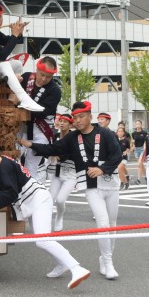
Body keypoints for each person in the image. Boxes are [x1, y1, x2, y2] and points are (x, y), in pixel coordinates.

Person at [22, 101, 122, 280]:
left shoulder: (106, 133)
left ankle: (106, 258)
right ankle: (108, 262)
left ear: (90, 116)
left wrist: (103, 169)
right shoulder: (73, 137)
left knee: (112, 224)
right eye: (75, 117)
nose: (77, 120)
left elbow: (117, 154)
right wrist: (30, 144)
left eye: (81, 116)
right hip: (90, 185)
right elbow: (54, 149)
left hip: (110, 182)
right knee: (103, 223)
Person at [0, 140, 91, 289]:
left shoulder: (2, 166)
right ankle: (62, 264)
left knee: (42, 240)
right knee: (40, 240)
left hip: (39, 200)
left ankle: (76, 268)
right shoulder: (1, 162)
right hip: (34, 200)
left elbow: (11, 193)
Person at [0, 0, 43, 113]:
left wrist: (18, 33)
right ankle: (22, 97)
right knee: (5, 64)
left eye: (0, 17)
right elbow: (2, 55)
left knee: (18, 64)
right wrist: (14, 35)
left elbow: (6, 41)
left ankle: (13, 95)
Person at [16, 56, 62, 184]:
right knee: (14, 157)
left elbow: (44, 111)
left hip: (41, 129)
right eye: (41, 75)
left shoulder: (55, 90)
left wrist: (20, 106)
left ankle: (31, 193)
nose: (43, 79)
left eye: (48, 77)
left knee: (32, 164)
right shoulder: (25, 78)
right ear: (37, 69)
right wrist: (14, 80)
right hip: (21, 126)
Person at [48, 113, 77, 231]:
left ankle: (59, 217)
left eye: (65, 121)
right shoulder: (55, 136)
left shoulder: (74, 137)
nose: (62, 123)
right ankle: (46, 223)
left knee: (60, 200)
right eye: (60, 121)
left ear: (70, 124)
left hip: (70, 173)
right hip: (56, 171)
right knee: (50, 199)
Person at [131, 119, 148, 184]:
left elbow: (146, 142)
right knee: (141, 165)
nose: (137, 125)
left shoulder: (144, 133)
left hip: (142, 149)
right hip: (136, 149)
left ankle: (138, 179)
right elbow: (133, 142)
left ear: (141, 125)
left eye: (139, 124)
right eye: (136, 124)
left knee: (139, 164)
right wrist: (132, 146)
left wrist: (145, 148)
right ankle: (147, 176)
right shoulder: (133, 133)